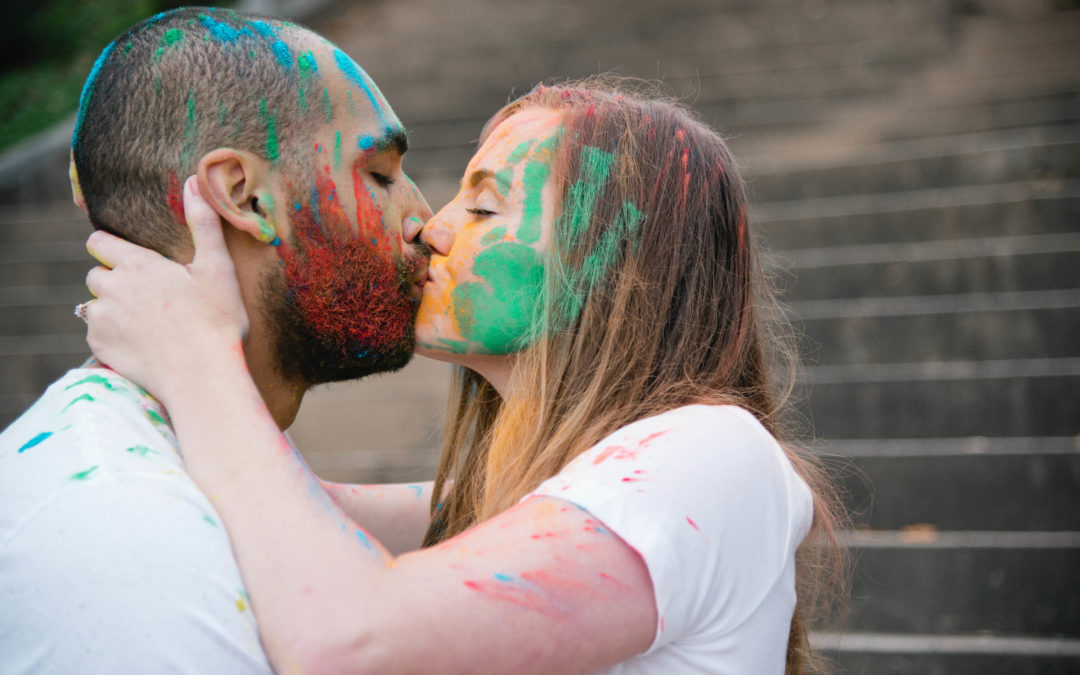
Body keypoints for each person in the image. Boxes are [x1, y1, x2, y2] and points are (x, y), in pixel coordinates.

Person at [84, 81, 847, 673]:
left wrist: (198, 355)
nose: (433, 225)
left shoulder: (707, 451)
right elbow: (284, 512)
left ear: (611, 259)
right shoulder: (534, 489)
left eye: (484, 204)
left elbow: (351, 639)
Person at [0, 7, 431, 671]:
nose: (425, 220)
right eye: (379, 175)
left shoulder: (197, 456)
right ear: (246, 197)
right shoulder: (123, 532)